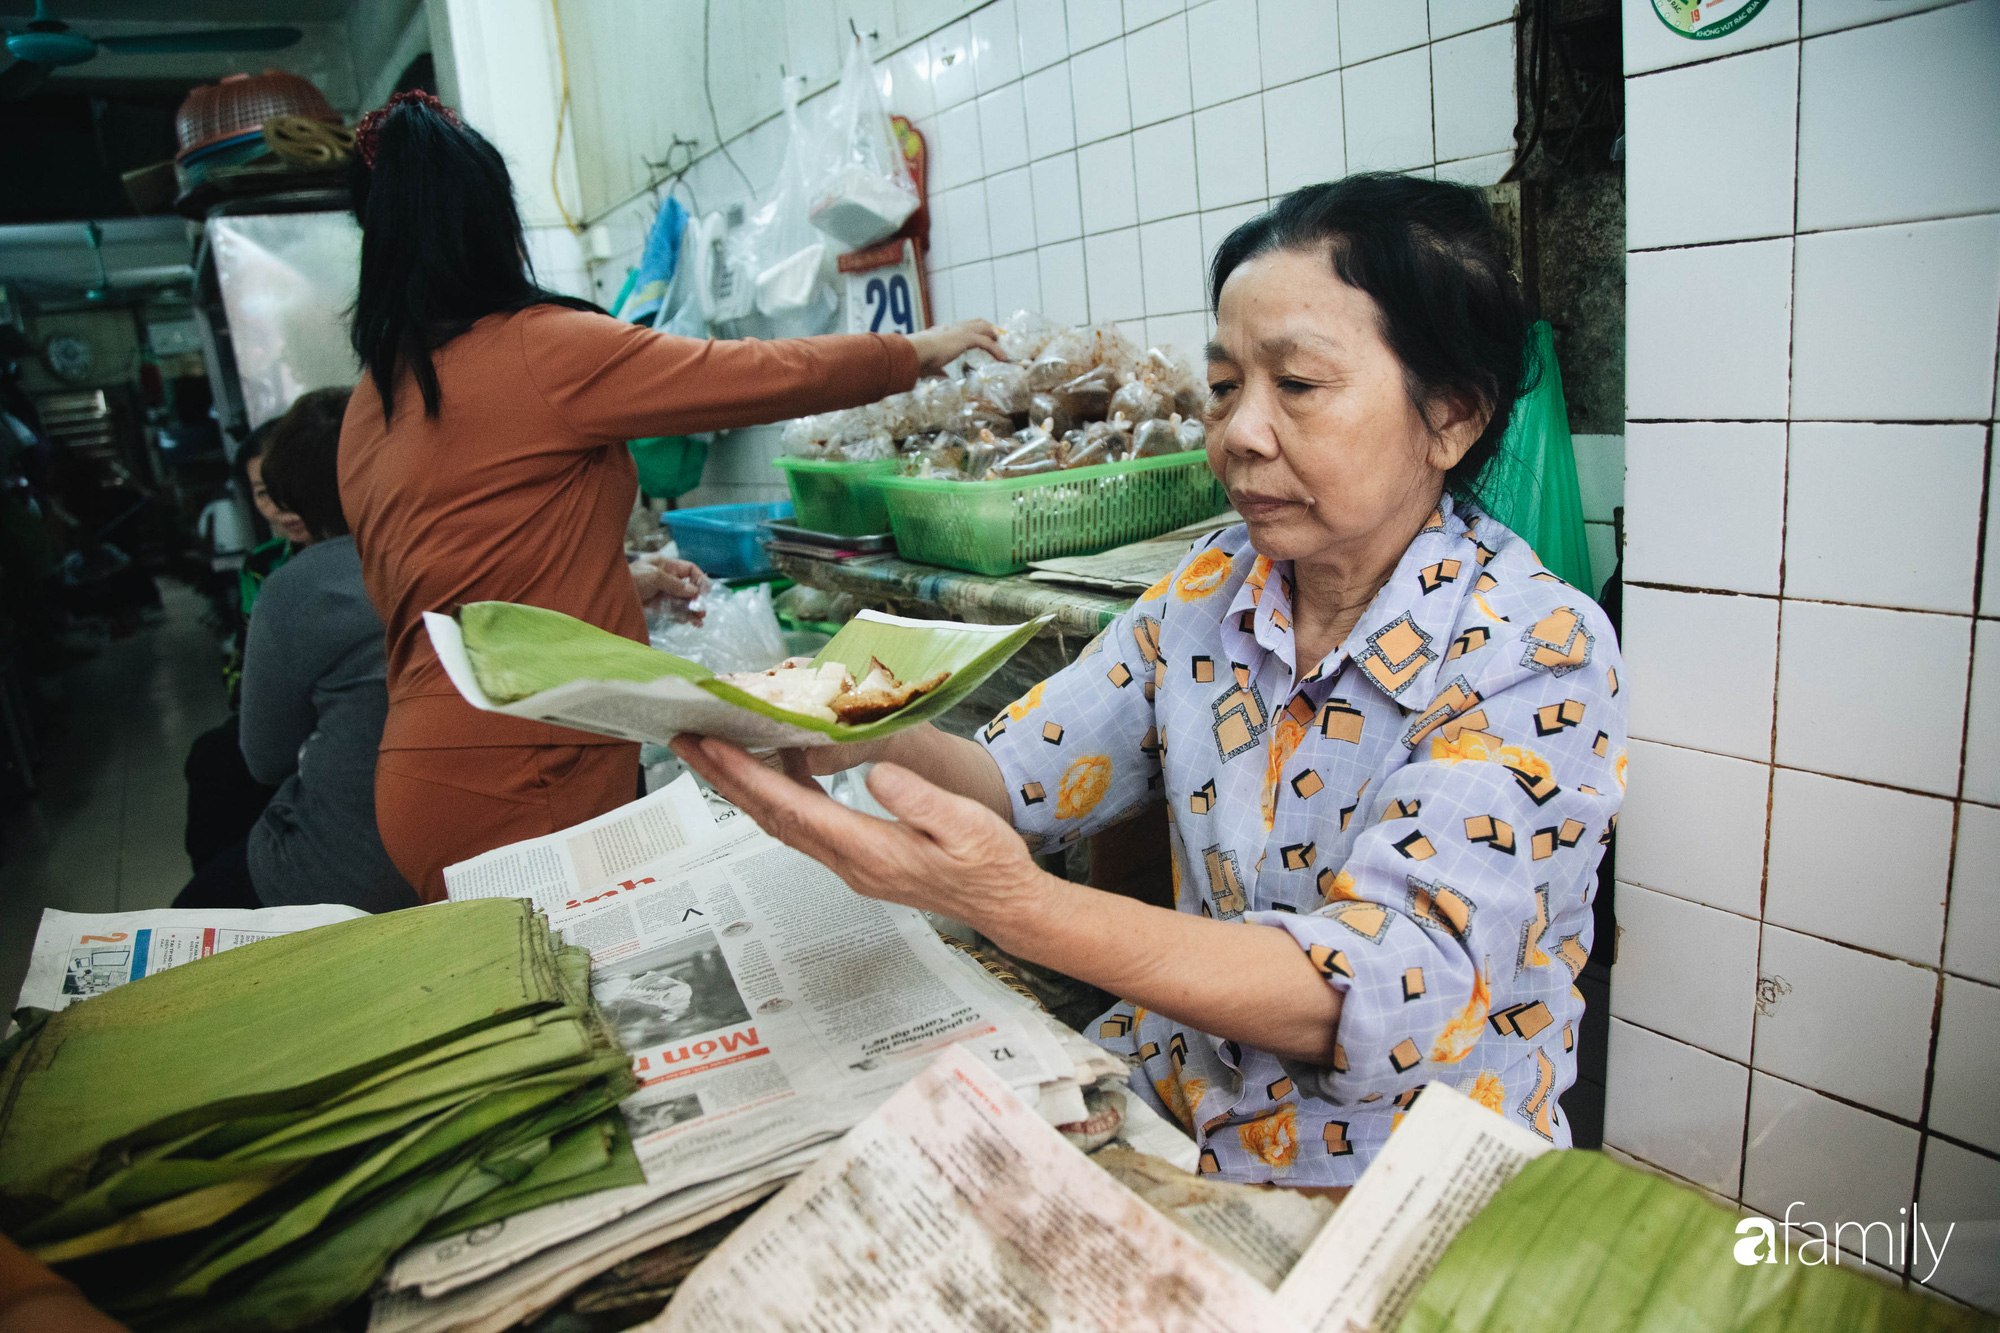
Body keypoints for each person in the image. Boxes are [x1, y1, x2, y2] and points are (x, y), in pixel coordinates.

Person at [672, 175, 1627, 1187]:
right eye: (1223, 387)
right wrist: (858, 726)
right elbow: (1020, 784)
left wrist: (1012, 906)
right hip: (1175, 1107)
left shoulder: (1533, 651)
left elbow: (1373, 988)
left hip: (1394, 1180)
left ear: (1449, 418)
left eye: (1295, 386)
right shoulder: (1213, 589)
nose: (1237, 434)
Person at [335, 89, 1002, 902]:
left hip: (419, 773)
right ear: (487, 223)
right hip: (528, 770)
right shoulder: (539, 350)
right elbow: (754, 374)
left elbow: (454, 585)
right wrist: (917, 350)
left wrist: (623, 579)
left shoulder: (370, 402)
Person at [175, 388, 417, 913]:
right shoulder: (464, 545)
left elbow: (265, 757)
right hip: (479, 834)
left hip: (362, 873)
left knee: (198, 901)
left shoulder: (298, 586)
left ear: (292, 491)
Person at [182, 420, 310, 872]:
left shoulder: (366, 553)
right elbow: (244, 670)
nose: (280, 507)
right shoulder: (263, 567)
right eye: (261, 492)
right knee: (215, 758)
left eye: (287, 486)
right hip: (279, 716)